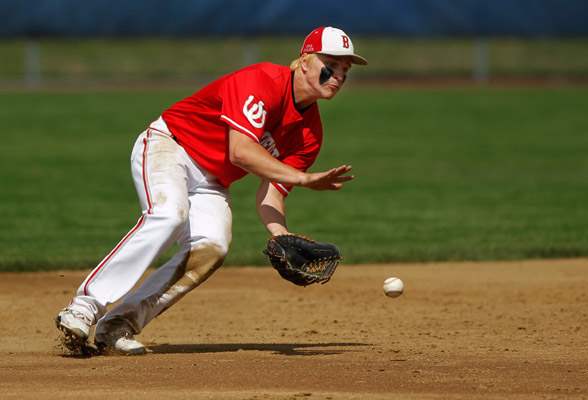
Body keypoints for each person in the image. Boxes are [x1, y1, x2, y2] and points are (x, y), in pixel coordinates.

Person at [55, 26, 368, 355]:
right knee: (168, 214)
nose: (339, 74)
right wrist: (304, 179)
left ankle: (120, 323)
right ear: (304, 61)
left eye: (346, 69)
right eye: (332, 63)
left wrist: (280, 235)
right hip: (170, 145)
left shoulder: (309, 136)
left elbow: (271, 194)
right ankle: (84, 307)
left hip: (212, 181)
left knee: (213, 247)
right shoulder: (262, 81)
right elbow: (241, 151)